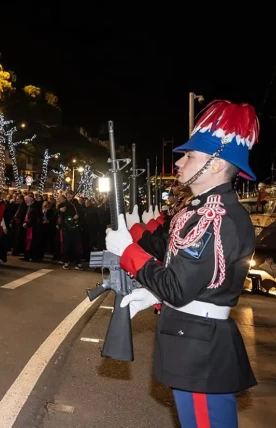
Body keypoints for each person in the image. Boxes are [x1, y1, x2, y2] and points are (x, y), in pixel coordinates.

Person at [106, 100, 257, 427]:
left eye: (190, 156)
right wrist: (154, 296)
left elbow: (178, 287)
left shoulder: (216, 218)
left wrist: (130, 253)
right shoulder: (205, 212)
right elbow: (194, 280)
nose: (180, 161)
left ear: (215, 165)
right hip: (193, 342)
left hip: (200, 352)